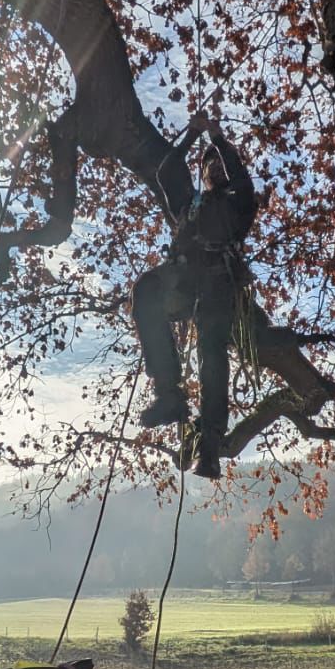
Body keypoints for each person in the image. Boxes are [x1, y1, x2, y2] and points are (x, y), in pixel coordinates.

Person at [132, 112, 257, 479]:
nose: (217, 168)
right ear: (203, 174)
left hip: (219, 283)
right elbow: (167, 168)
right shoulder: (189, 203)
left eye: (221, 164)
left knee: (212, 354)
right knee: (145, 290)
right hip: (184, 279)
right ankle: (168, 391)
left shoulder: (240, 203)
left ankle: (210, 444)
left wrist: (217, 139)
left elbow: (243, 180)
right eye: (210, 165)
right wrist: (192, 133)